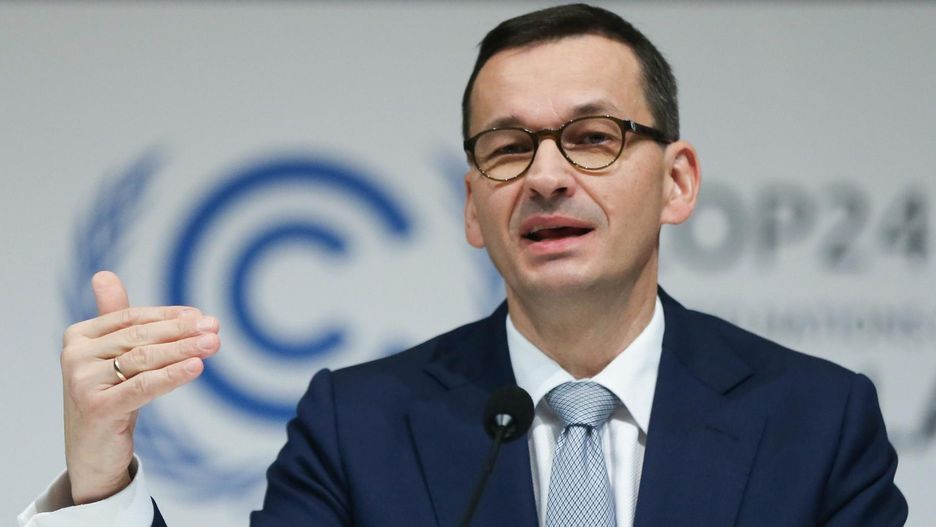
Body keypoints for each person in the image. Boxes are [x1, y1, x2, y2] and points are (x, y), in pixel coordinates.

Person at [20, 4, 908, 526]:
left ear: (677, 181)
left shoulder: (817, 420)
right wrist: (101, 482)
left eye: (593, 137)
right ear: (474, 206)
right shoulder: (357, 426)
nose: (547, 176)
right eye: (509, 147)